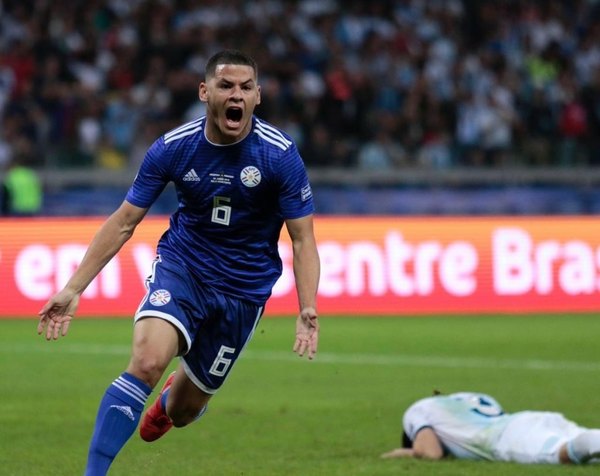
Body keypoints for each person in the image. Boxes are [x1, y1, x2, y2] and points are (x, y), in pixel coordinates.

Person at [37, 49, 320, 476]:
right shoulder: (174, 148)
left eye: (246, 87)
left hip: (243, 292)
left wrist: (307, 305)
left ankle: (174, 401)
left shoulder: (278, 155)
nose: (236, 94)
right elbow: (124, 221)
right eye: (226, 85)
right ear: (205, 92)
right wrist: (74, 286)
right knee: (148, 361)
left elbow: (302, 239)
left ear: (258, 96)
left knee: (186, 410)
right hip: (184, 267)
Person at [381, 391, 600, 465]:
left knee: (565, 454)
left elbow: (431, 453)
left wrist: (409, 453)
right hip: (533, 418)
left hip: (506, 437)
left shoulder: (416, 411)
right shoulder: (464, 398)